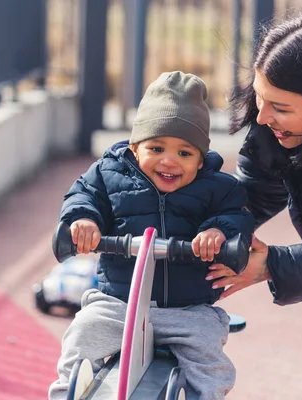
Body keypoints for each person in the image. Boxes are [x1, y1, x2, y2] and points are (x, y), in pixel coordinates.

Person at [48, 71, 254, 400]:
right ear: (134, 146)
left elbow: (235, 216)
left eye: (185, 153)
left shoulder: (218, 187)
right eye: (156, 148)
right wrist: (84, 220)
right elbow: (83, 196)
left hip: (187, 310)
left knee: (208, 359)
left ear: (201, 160)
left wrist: (218, 232)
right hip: (118, 303)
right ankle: (66, 394)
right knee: (83, 333)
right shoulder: (108, 173)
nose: (169, 161)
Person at [206, 13, 302, 400]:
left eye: (279, 107)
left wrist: (275, 265)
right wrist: (215, 232)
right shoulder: (283, 109)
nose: (262, 117)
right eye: (260, 99)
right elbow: (254, 191)